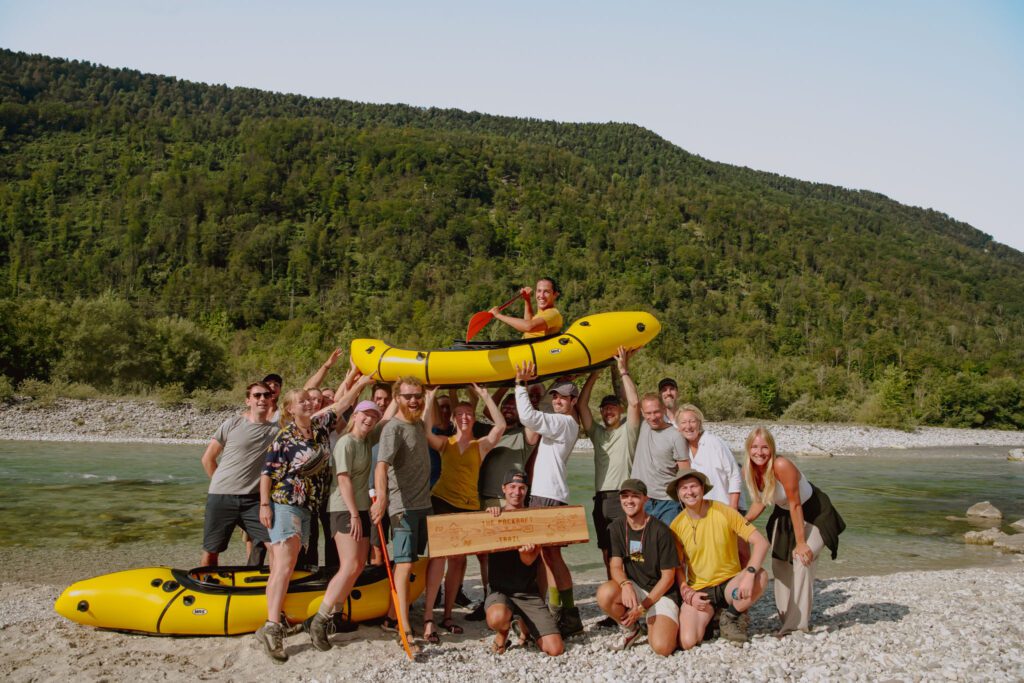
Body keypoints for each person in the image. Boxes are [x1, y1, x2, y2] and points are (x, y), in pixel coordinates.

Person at [254, 381, 362, 663]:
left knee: (282, 564)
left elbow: (341, 404)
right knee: (284, 564)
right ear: (290, 409)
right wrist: (265, 505)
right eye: (302, 401)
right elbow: (267, 473)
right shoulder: (284, 438)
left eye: (309, 400)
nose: (309, 403)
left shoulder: (320, 426)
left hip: (306, 508)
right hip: (285, 503)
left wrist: (360, 382)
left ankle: (272, 623)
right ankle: (272, 627)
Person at [421, 384, 507, 643]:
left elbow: (500, 426)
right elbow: (426, 430)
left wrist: (484, 396)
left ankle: (447, 616)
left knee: (458, 561)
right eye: (460, 414)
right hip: (442, 501)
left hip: (468, 506)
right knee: (438, 558)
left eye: (468, 414)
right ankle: (428, 618)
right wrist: (429, 398)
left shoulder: (480, 446)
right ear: (454, 419)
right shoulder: (445, 443)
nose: (465, 417)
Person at [742, 427, 846, 636]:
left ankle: (797, 625)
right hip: (784, 515)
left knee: (802, 559)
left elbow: (796, 504)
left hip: (814, 512)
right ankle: (786, 617)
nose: (759, 452)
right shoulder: (749, 470)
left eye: (764, 447)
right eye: (754, 447)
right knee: (779, 564)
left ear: (772, 448)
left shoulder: (781, 465)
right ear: (748, 449)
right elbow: (760, 501)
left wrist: (801, 543)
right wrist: (741, 523)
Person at [513, 361, 583, 636]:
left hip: (549, 495)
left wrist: (520, 384)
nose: (556, 401)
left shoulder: (564, 422)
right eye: (554, 396)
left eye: (562, 397)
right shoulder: (563, 421)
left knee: (551, 557)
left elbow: (529, 418)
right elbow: (539, 414)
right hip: (547, 493)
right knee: (549, 557)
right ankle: (561, 611)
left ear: (573, 401)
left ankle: (567, 613)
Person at [308, 395, 381, 651]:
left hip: (361, 508)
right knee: (349, 563)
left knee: (358, 565)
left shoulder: (367, 441)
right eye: (365, 415)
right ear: (355, 416)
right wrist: (352, 513)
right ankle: (319, 619)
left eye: (374, 417)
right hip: (342, 509)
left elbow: (391, 415)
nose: (369, 420)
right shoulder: (347, 442)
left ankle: (336, 616)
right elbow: (343, 479)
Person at [668, 470, 770, 649]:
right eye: (684, 488)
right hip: (701, 589)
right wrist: (686, 591)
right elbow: (677, 565)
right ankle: (712, 617)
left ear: (703, 488)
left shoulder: (724, 511)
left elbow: (761, 543)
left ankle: (730, 615)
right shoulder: (676, 525)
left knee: (760, 576)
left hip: (729, 584)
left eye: (693, 486)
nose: (689, 492)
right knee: (688, 642)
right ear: (678, 494)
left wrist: (749, 574)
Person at [465, 391, 540, 621]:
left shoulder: (525, 436)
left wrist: (522, 387)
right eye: (505, 406)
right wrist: (494, 390)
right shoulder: (489, 432)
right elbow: (488, 410)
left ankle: (521, 601)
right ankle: (491, 598)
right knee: (483, 554)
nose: (508, 409)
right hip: (484, 499)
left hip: (509, 500)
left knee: (514, 551)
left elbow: (534, 421)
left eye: (513, 406)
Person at [371, 376, 433, 649]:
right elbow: (381, 465)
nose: (414, 400)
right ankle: (403, 627)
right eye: (407, 396)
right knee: (405, 563)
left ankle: (390, 615)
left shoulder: (418, 423)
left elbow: (425, 407)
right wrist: (382, 498)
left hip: (423, 505)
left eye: (418, 395)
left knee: (412, 561)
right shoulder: (393, 428)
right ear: (397, 398)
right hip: (402, 507)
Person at [484, 469, 565, 657]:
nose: (517, 492)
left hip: (527, 593)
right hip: (500, 591)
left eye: (522, 488)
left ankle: (522, 624)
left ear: (527, 490)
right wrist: (486, 516)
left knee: (555, 649)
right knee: (497, 618)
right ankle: (503, 633)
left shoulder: (533, 519)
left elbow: (529, 562)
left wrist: (529, 552)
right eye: (512, 487)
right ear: (504, 489)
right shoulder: (493, 516)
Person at [595, 479, 680, 656]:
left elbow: (668, 578)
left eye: (635, 496)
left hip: (662, 593)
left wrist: (642, 608)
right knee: (605, 593)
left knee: (662, 648)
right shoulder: (616, 527)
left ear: (645, 499)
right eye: (625, 496)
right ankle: (634, 629)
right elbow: (615, 566)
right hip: (636, 587)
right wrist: (625, 584)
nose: (629, 501)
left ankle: (661, 621)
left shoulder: (661, 531)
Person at [577, 347, 641, 578]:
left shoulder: (629, 431)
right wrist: (595, 374)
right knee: (607, 553)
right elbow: (582, 406)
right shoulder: (597, 434)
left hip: (622, 496)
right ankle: (616, 602)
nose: (608, 411)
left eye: (613, 407)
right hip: (601, 500)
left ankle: (636, 598)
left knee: (629, 552)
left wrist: (623, 370)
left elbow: (635, 404)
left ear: (620, 410)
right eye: (605, 408)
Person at [199, 381, 278, 567]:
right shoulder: (232, 424)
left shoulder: (276, 430)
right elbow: (208, 459)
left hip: (254, 500)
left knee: (275, 545)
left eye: (266, 395)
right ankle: (207, 588)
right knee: (211, 551)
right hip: (221, 497)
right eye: (257, 395)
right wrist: (222, 485)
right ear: (247, 401)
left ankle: (274, 587)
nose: (262, 399)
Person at [630, 394, 689, 524]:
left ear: (663, 409)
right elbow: (631, 400)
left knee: (668, 543)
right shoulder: (643, 425)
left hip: (668, 503)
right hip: (641, 499)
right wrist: (623, 372)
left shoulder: (676, 436)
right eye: (648, 413)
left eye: (656, 412)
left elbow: (685, 471)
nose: (652, 417)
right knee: (640, 543)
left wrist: (687, 503)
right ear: (642, 413)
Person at [676, 405, 743, 510]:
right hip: (702, 512)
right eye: (683, 422)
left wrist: (733, 509)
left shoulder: (713, 442)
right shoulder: (682, 449)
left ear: (699, 423)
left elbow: (734, 474)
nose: (688, 426)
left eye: (692, 421)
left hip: (725, 508)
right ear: (678, 427)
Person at [489, 277, 563, 338]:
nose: (541, 295)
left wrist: (498, 315)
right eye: (539, 291)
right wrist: (527, 299)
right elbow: (528, 321)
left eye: (546, 292)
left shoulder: (553, 314)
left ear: (555, 295)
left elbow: (528, 327)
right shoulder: (542, 314)